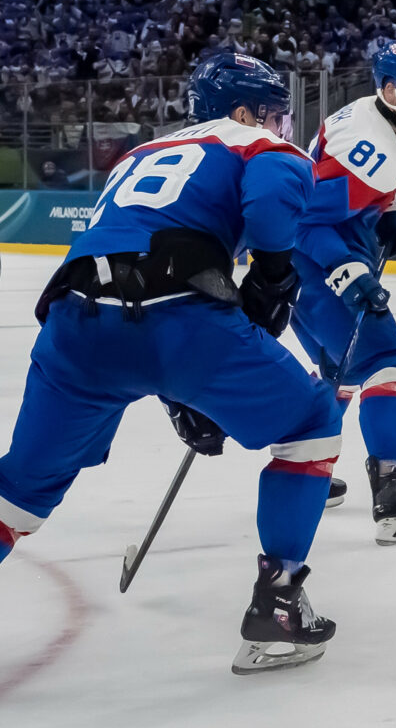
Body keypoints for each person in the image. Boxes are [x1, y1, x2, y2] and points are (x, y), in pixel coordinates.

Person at [0, 51, 347, 672]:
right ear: (243, 111)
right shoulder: (255, 143)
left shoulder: (139, 154)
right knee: (312, 424)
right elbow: (270, 202)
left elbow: (134, 259)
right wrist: (272, 275)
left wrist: (180, 396)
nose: (279, 125)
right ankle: (278, 608)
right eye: (271, 112)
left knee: (17, 496)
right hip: (181, 322)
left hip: (75, 323)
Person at [292, 41, 396, 546]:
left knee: (341, 374)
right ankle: (392, 493)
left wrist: (394, 204)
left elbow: (359, 188)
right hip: (315, 263)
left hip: (304, 264)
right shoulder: (370, 141)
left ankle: (303, 472)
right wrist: (346, 272)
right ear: (391, 89)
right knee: (386, 364)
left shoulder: (382, 117)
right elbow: (306, 217)